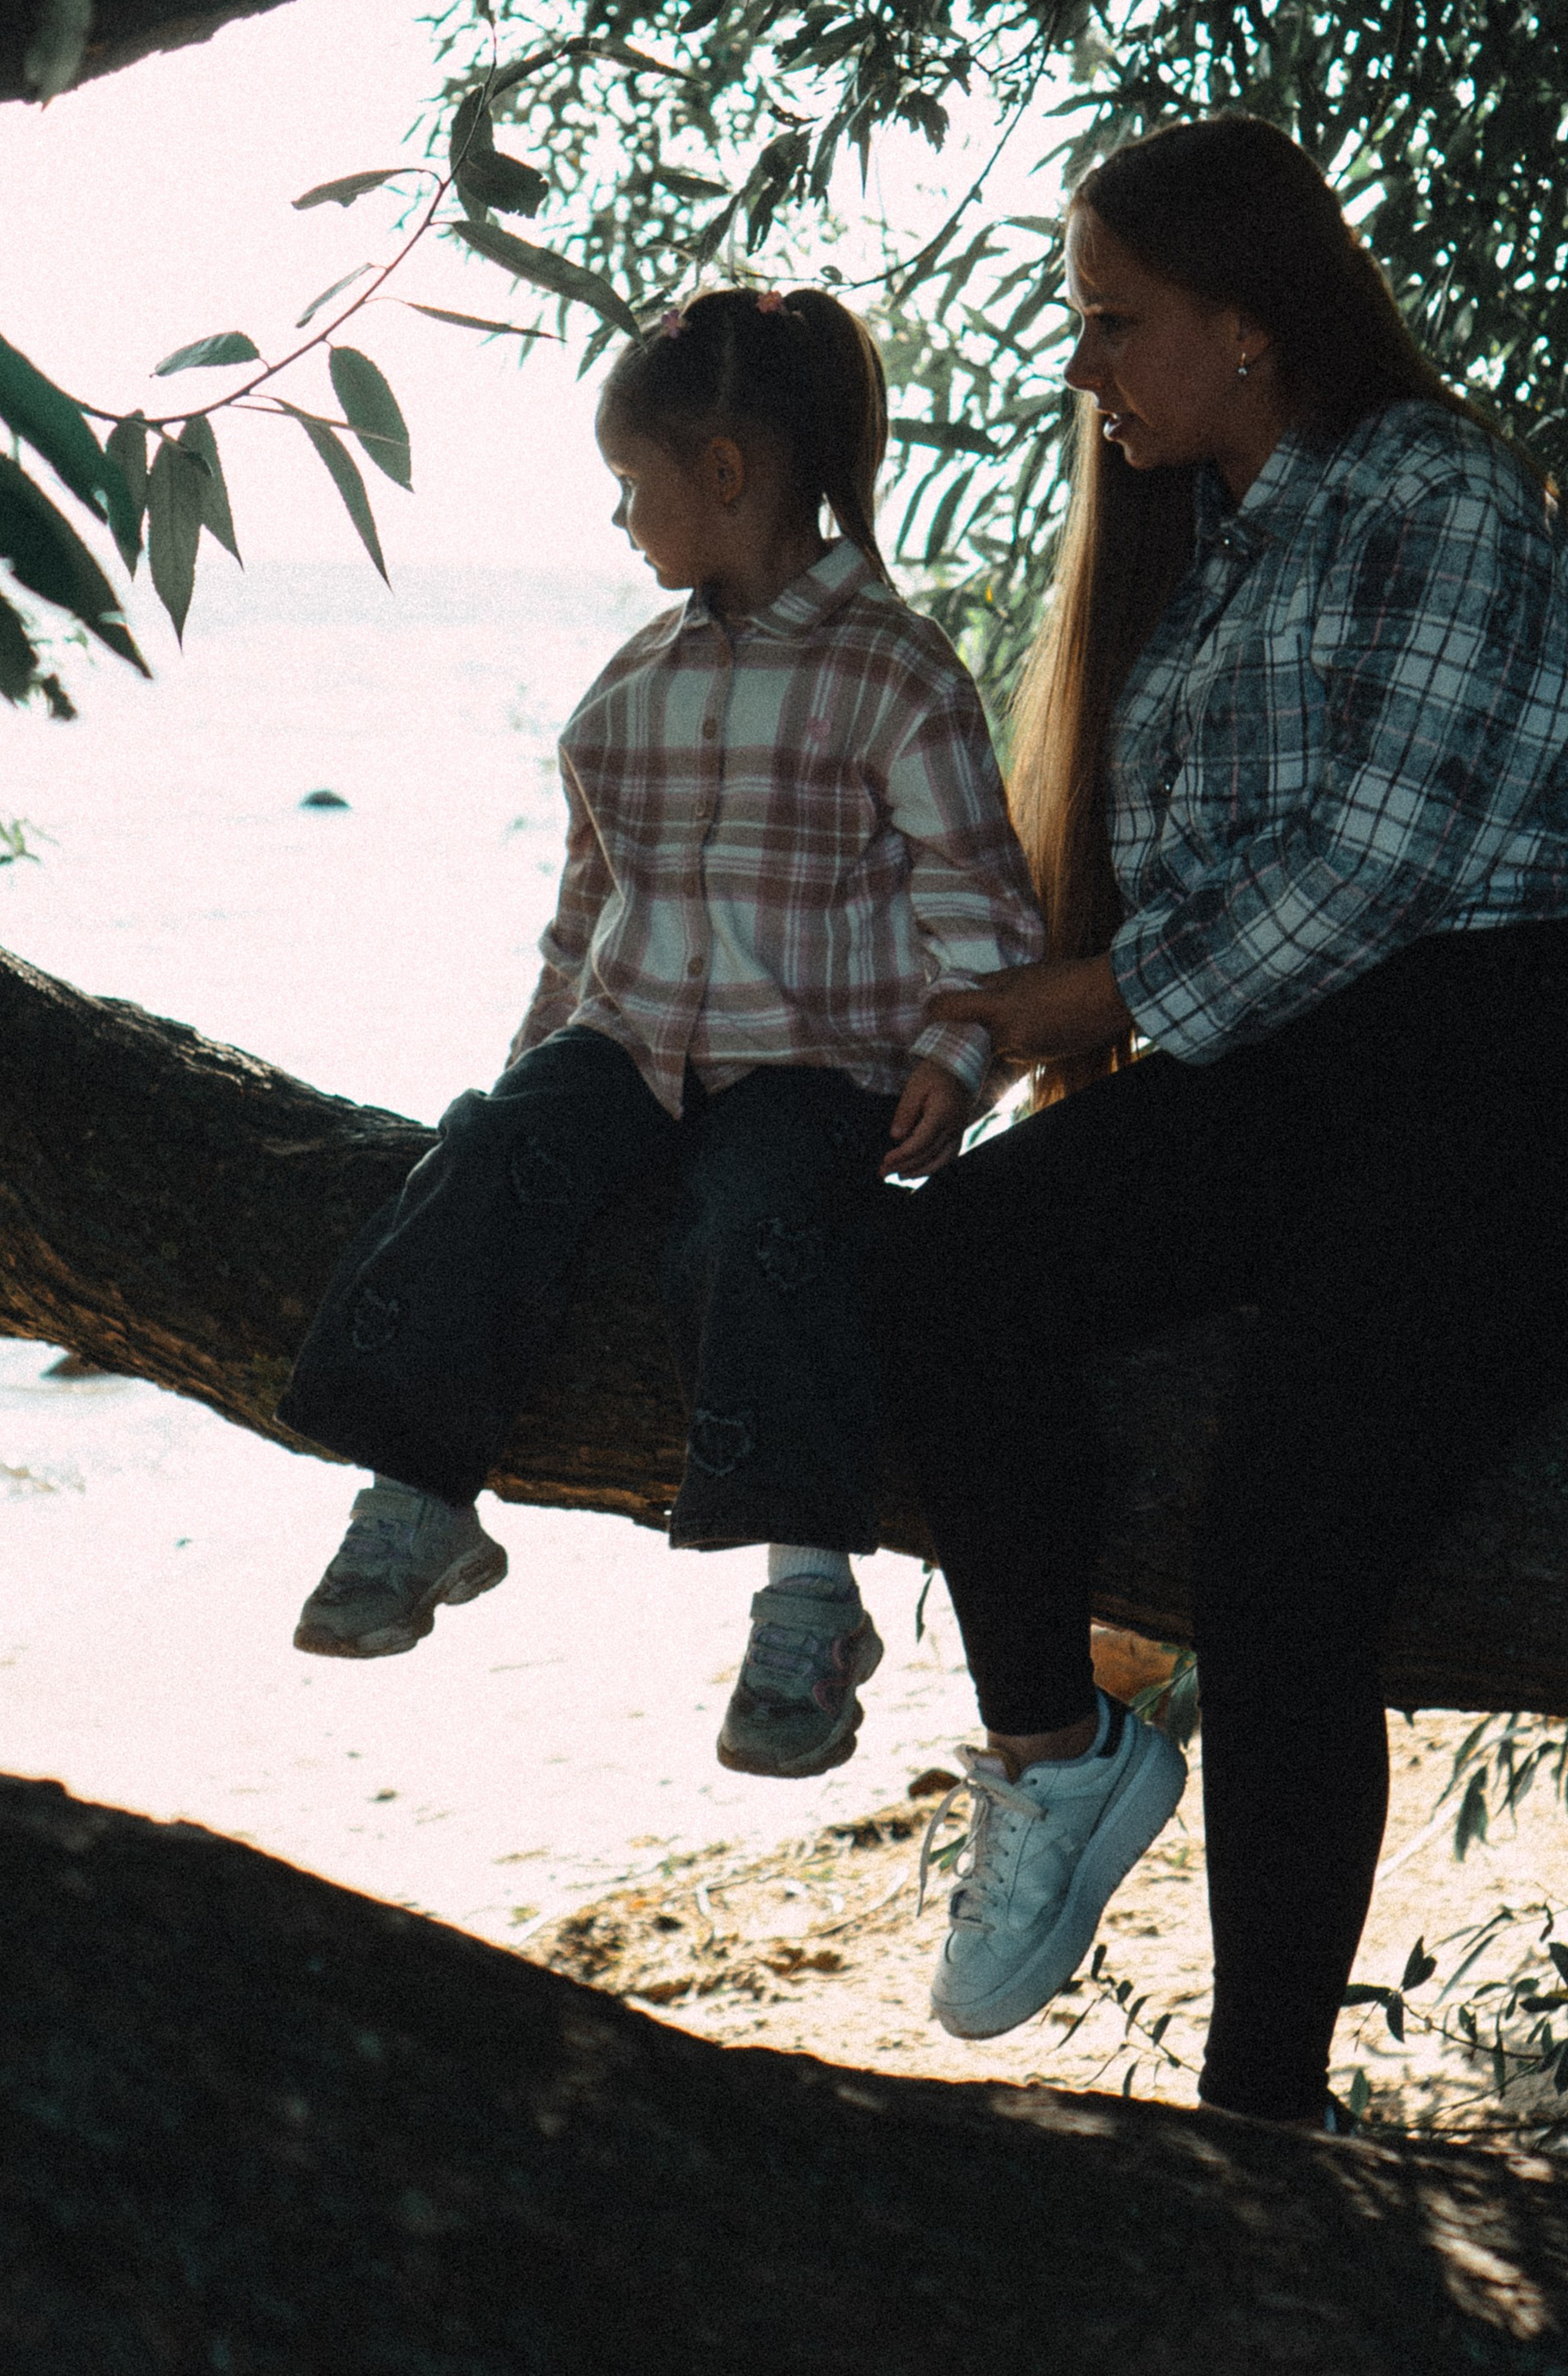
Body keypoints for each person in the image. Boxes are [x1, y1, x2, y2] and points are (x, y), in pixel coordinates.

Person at [894, 113, 1568, 2120]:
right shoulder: (1219, 536)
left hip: (1520, 1073)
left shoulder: (1434, 496)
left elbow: (1370, 862)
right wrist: (978, 1036)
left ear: (1246, 320)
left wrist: (1082, 1003)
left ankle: (1261, 2116)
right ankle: (1059, 1758)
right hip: (1295, 1063)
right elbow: (1205, 903)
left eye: (1113, 320)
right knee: (956, 1265)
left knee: (1281, 1547)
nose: (1083, 365)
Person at [279, 283, 1044, 1780]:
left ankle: (811, 1602)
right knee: (489, 1155)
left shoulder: (895, 673)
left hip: (813, 1069)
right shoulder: (627, 693)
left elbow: (989, 926)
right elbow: (581, 925)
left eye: (632, 485)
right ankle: (420, 1494)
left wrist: (956, 1072)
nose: (621, 521)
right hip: (629, 1050)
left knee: (761, 1227)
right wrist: (534, 1078)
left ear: (726, 473)